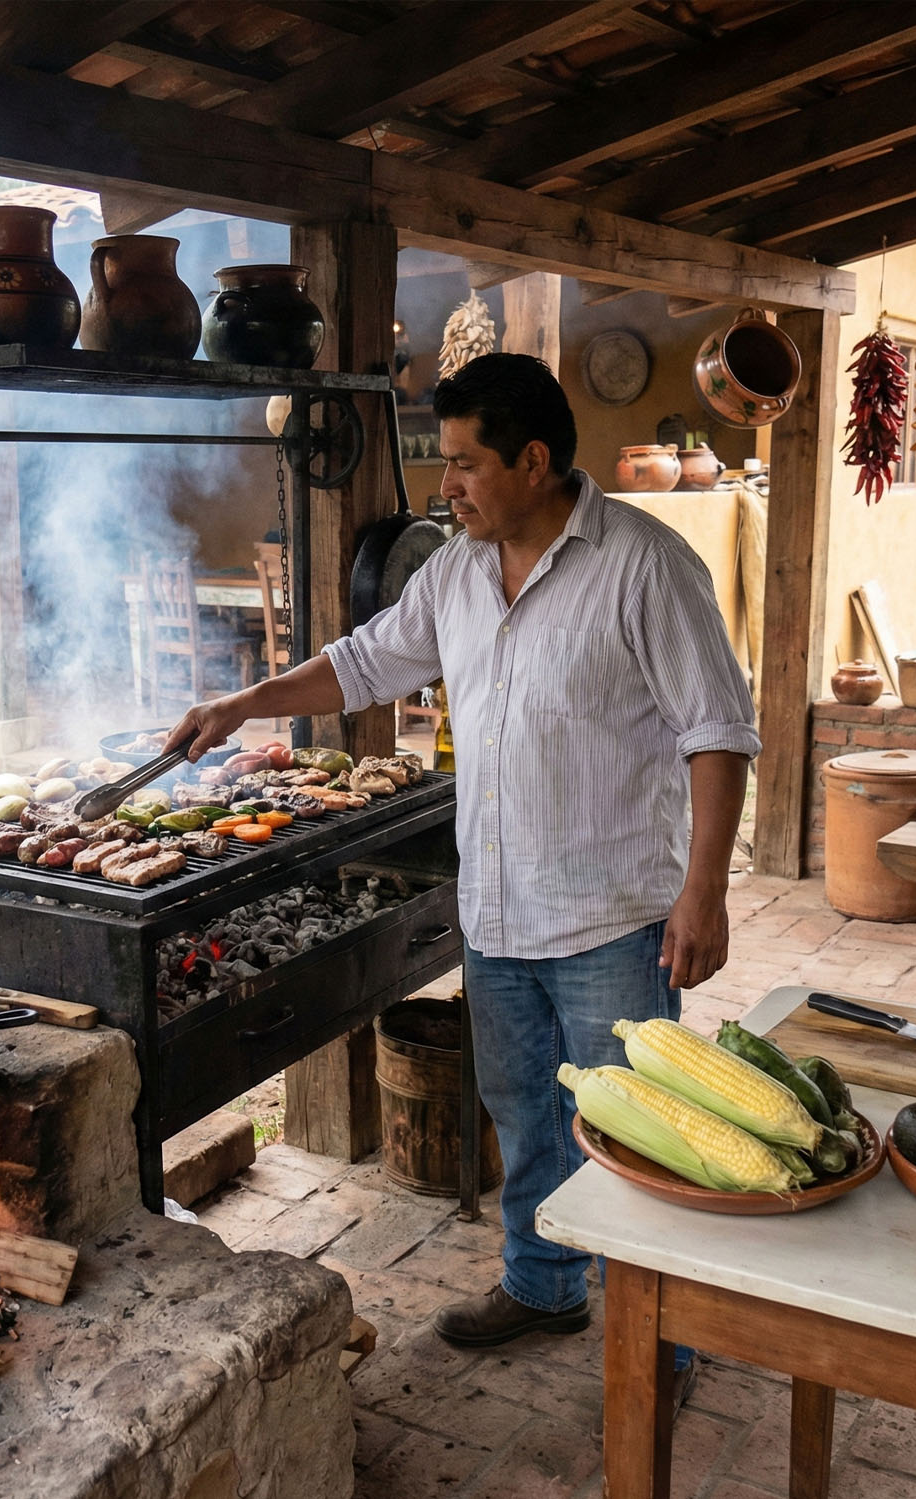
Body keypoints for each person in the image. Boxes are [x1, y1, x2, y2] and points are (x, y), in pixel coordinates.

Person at [171, 353, 758, 1376]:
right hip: (496, 908)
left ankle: (660, 1344)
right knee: (524, 1114)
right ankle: (542, 1285)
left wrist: (702, 893)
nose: (445, 484)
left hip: (613, 915)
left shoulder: (645, 565)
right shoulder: (453, 570)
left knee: (636, 1135)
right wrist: (242, 703)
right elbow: (362, 663)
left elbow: (717, 732)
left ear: (532, 460)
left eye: (462, 463)